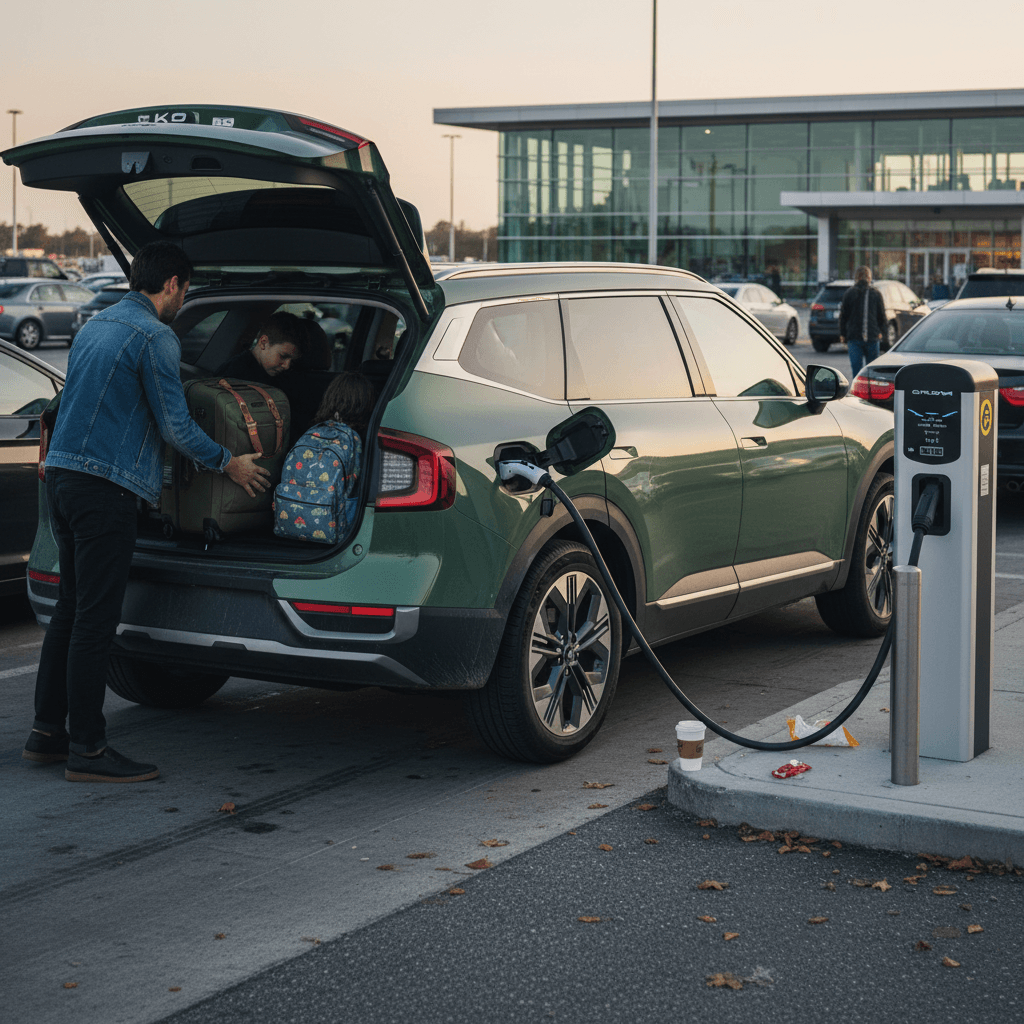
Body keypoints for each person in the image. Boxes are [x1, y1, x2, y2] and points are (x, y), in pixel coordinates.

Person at [23, 242, 270, 783]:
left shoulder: (95, 324)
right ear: (174, 284)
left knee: (69, 610)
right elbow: (176, 427)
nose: (184, 298)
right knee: (95, 620)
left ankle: (46, 733)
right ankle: (87, 749)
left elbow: (67, 404)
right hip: (103, 490)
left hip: (62, 480)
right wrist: (229, 464)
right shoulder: (156, 337)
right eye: (186, 289)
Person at [274, 373, 376, 544]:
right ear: (366, 405)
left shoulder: (312, 431)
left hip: (289, 524)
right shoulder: (360, 440)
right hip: (334, 528)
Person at [839, 266, 887, 376]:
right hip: (872, 336)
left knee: (857, 371)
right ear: (869, 278)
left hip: (854, 337)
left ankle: (858, 392)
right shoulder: (876, 293)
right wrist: (882, 333)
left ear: (856, 278)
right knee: (871, 371)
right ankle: (870, 392)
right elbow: (882, 316)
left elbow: (843, 316)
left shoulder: (849, 293)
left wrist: (843, 334)